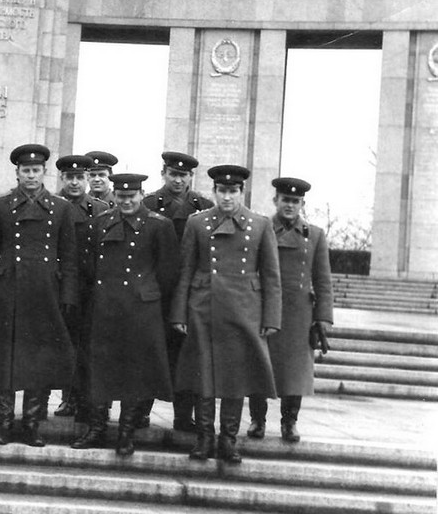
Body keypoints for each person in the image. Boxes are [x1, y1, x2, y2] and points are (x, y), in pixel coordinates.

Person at [170, 164, 282, 464]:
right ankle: (204, 437)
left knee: (236, 378)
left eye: (233, 191)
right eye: (222, 191)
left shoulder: (260, 225)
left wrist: (271, 318)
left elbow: (271, 276)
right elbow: (185, 270)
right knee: (204, 376)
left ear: (241, 192)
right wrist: (179, 313)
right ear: (214, 191)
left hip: (244, 311)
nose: (227, 197)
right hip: (203, 308)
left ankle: (228, 439)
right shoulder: (197, 223)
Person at [0, 143, 79, 448]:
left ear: (44, 172)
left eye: (36, 170)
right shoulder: (0, 206)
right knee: (5, 360)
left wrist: (68, 296)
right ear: (17, 173)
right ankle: (5, 423)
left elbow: (69, 257)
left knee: (39, 360)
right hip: (8, 291)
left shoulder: (61, 208)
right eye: (26, 170)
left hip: (45, 293)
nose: (31, 176)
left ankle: (32, 424)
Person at [71, 173, 180, 456]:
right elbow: (89, 266)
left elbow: (168, 274)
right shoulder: (100, 223)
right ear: (115, 195)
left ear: (141, 194)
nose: (126, 201)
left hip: (141, 311)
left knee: (134, 371)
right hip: (104, 308)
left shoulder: (159, 225)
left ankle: (126, 433)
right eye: (121, 196)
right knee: (100, 368)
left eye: (132, 196)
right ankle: (96, 429)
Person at [247, 177, 333, 443]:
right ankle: (257, 420)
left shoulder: (314, 235)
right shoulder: (260, 229)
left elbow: (323, 280)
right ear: (276, 200)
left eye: (295, 201)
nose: (290, 205)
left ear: (302, 204)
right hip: (264, 308)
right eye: (285, 200)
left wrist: (323, 317)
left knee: (295, 371)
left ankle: (289, 422)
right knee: (259, 365)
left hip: (299, 314)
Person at [141, 151, 214, 433]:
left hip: (189, 294)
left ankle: (184, 416)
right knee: (152, 352)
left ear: (191, 177)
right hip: (157, 292)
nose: (178, 180)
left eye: (183, 175)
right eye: (173, 174)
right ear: (164, 174)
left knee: (187, 355)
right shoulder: (148, 204)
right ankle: (141, 412)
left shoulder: (204, 207)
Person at [52, 154, 109, 421]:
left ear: (86, 178)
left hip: (89, 287)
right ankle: (66, 398)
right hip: (58, 284)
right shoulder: (52, 206)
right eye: (69, 177)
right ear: (62, 178)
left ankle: (85, 399)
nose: (74, 182)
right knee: (62, 344)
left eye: (79, 177)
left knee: (87, 345)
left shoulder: (99, 209)